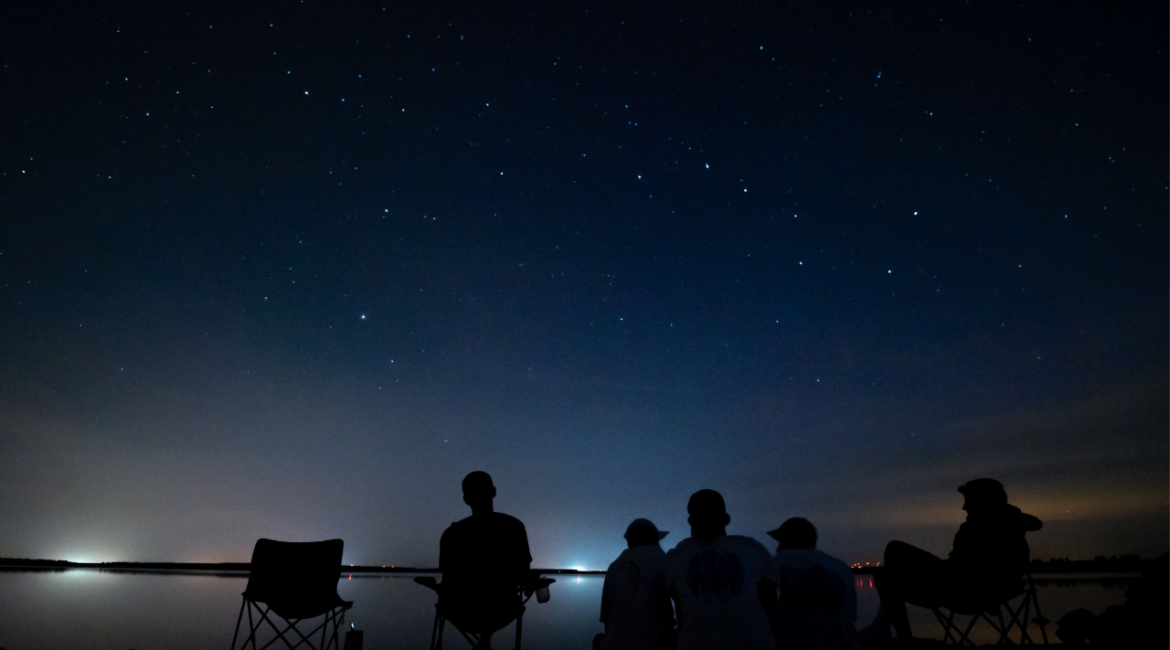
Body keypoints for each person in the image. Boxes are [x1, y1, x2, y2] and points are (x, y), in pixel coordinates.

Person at [859, 478, 1043, 642]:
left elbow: (964, 571)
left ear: (983, 501)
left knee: (892, 558)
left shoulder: (976, 531)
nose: (964, 507)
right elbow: (984, 569)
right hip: (989, 592)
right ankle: (889, 629)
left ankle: (898, 634)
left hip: (963, 593)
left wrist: (918, 578)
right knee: (889, 574)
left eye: (968, 501)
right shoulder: (1013, 528)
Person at [665, 489, 781, 650]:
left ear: (690, 521)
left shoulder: (676, 556)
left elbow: (680, 607)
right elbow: (770, 604)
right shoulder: (753, 549)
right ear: (726, 519)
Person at [438, 471, 533, 647]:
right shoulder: (514, 527)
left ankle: (483, 644)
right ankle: (485, 643)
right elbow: (523, 579)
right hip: (503, 611)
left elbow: (447, 580)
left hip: (459, 613)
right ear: (494, 491)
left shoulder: (451, 534)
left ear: (466, 499)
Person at [769, 517, 862, 650]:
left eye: (781, 541)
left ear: (791, 541)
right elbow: (851, 617)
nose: (778, 548)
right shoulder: (841, 567)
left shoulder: (784, 559)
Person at [595, 518, 676, 650]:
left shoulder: (614, 566)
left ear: (629, 542)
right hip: (655, 646)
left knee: (598, 638)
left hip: (613, 646)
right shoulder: (660, 557)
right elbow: (684, 602)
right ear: (653, 539)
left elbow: (607, 621)